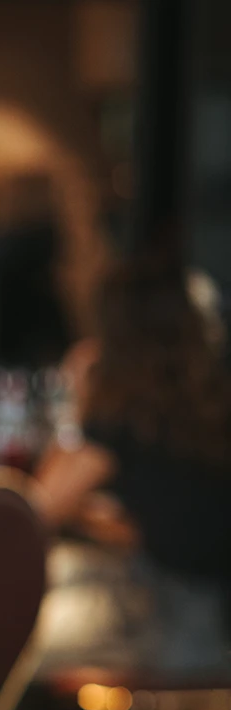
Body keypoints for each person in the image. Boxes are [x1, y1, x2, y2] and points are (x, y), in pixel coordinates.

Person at [34, 255, 231, 674]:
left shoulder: (123, 414)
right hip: (205, 616)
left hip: (172, 624)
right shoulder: (202, 408)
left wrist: (74, 402)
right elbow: (158, 525)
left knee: (6, 624)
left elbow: (38, 508)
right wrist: (98, 517)